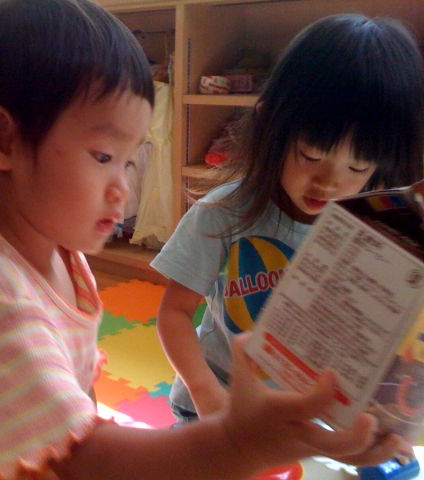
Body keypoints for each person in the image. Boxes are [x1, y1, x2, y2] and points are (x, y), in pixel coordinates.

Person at [0, 4, 410, 479]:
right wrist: (235, 442)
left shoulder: (54, 255)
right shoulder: (0, 305)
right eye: (104, 157)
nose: (123, 190)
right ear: (3, 140)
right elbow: (84, 464)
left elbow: (68, 417)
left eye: (131, 161)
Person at [152, 13, 424, 431]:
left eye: (358, 167)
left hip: (304, 412)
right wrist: (206, 394)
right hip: (218, 402)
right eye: (311, 156)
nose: (329, 183)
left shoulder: (372, 230)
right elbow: (174, 313)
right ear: (270, 126)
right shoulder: (223, 212)